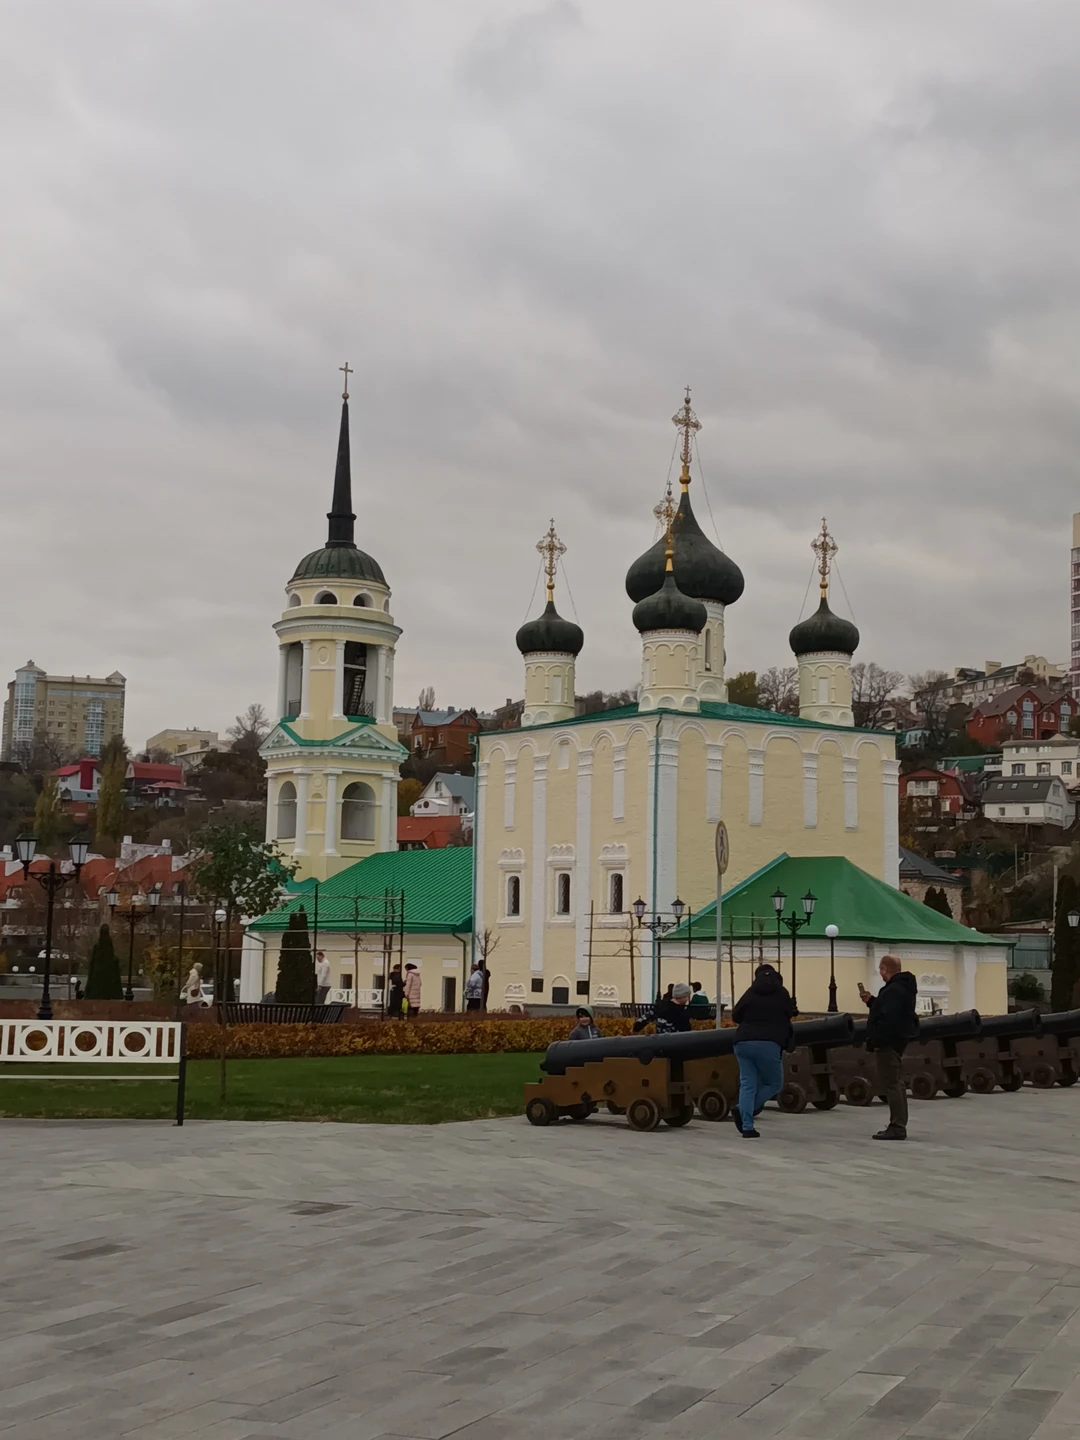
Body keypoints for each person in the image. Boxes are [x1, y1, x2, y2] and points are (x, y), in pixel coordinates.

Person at [731, 964, 796, 1139]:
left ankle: (747, 1127)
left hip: (743, 1041)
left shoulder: (750, 992)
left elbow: (736, 1015)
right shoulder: (782, 993)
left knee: (747, 1084)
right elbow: (789, 1013)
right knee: (774, 1083)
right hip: (768, 1043)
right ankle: (744, 1110)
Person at [860, 956, 919, 1141]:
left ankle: (897, 1126)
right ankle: (898, 1123)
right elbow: (887, 1009)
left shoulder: (893, 990)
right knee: (896, 1082)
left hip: (888, 1042)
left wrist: (876, 1038)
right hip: (898, 1039)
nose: (880, 972)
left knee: (892, 1083)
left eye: (880, 969)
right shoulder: (904, 987)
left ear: (885, 968)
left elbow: (888, 1016)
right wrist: (871, 1001)